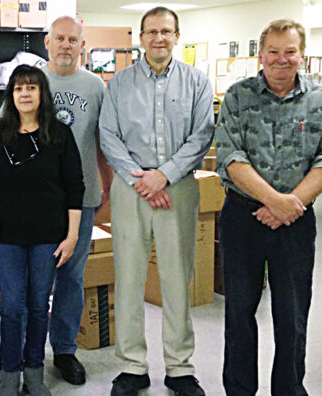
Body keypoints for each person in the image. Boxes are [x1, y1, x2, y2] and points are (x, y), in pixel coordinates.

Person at [0, 16, 112, 386]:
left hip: (76, 202)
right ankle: (11, 354)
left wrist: (107, 189)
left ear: (82, 44)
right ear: (47, 42)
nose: (66, 45)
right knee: (21, 288)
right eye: (60, 39)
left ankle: (64, 350)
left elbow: (104, 143)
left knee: (70, 277)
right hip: (24, 206)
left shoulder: (96, 86)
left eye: (73, 39)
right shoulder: (29, 81)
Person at [99, 7, 214, 396]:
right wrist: (142, 178)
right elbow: (108, 135)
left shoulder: (197, 83)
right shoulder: (119, 84)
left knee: (177, 278)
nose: (159, 38)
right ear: (141, 37)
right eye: (151, 32)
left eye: (166, 31)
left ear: (177, 36)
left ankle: (180, 368)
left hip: (177, 187)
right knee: (129, 277)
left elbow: (201, 136)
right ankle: (132, 366)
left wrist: (164, 175)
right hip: (130, 188)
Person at [215, 19, 322, 396]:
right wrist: (275, 202)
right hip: (243, 219)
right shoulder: (238, 96)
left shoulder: (319, 100)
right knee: (239, 313)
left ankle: (290, 389)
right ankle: (240, 390)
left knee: (292, 315)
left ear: (302, 55)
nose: (281, 60)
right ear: (260, 55)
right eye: (273, 52)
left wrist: (289, 206)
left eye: (289, 51)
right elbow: (229, 157)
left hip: (296, 222)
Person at [0, 65, 85, 396]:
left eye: (31, 88)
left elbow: (74, 187)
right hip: (8, 236)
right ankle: (9, 373)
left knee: (37, 306)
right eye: (18, 88)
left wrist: (72, 235)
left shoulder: (59, 134)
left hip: (49, 235)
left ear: (41, 94)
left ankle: (34, 372)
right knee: (13, 306)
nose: (24, 93)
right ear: (11, 94)